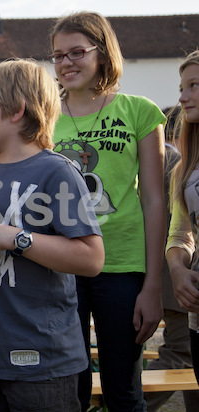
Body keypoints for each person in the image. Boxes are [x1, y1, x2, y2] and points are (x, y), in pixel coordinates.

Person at [0, 59, 104, 412]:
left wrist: (14, 237)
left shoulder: (58, 172)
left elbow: (91, 258)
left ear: (16, 111)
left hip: (42, 366)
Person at [48, 11, 167, 412]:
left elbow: (154, 200)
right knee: (70, 392)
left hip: (124, 268)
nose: (66, 63)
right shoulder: (43, 119)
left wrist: (153, 286)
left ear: (102, 53)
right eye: (58, 55)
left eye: (77, 52)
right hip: (63, 267)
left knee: (124, 392)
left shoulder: (140, 111)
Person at [145, 106, 199, 412]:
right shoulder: (180, 164)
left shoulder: (150, 161)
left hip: (151, 273)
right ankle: (134, 405)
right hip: (175, 277)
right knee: (180, 352)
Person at [166, 49, 199, 386]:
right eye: (182, 86)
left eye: (194, 85)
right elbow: (179, 234)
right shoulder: (185, 169)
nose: (182, 97)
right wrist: (177, 268)